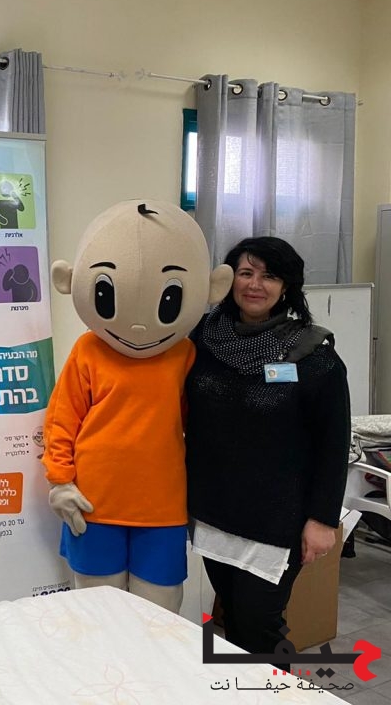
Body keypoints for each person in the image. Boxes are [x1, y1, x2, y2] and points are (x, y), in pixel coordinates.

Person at [43, 200, 231, 612]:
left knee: (158, 614)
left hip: (162, 507)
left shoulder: (185, 353)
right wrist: (60, 481)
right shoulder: (88, 350)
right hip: (93, 503)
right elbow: (62, 419)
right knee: (98, 612)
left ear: (213, 287)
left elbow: (200, 423)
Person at [185, 236, 350, 655]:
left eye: (270, 276)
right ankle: (243, 686)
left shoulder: (313, 358)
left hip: (277, 519)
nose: (255, 284)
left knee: (260, 627)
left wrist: (323, 520)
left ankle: (270, 687)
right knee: (232, 617)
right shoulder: (203, 339)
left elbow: (333, 444)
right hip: (215, 510)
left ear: (286, 287)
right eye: (246, 273)